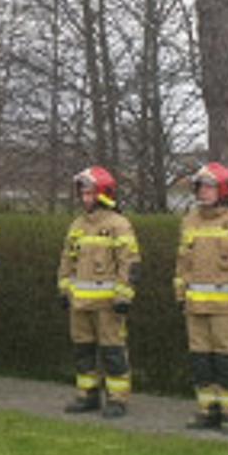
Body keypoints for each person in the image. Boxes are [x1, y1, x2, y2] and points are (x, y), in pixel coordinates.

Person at [175, 162, 228, 433]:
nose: (203, 192)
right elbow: (182, 263)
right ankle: (207, 410)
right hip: (195, 306)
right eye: (200, 187)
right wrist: (180, 293)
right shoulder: (189, 220)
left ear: (223, 189)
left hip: (227, 308)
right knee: (201, 360)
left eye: (209, 186)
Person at [58, 166, 140, 418]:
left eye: (90, 193)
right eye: (82, 193)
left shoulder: (119, 225)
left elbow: (130, 263)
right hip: (80, 303)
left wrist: (124, 296)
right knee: (83, 351)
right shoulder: (77, 225)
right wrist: (63, 289)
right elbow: (67, 261)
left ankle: (117, 399)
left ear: (103, 194)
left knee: (112, 352)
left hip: (108, 304)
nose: (85, 198)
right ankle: (88, 396)